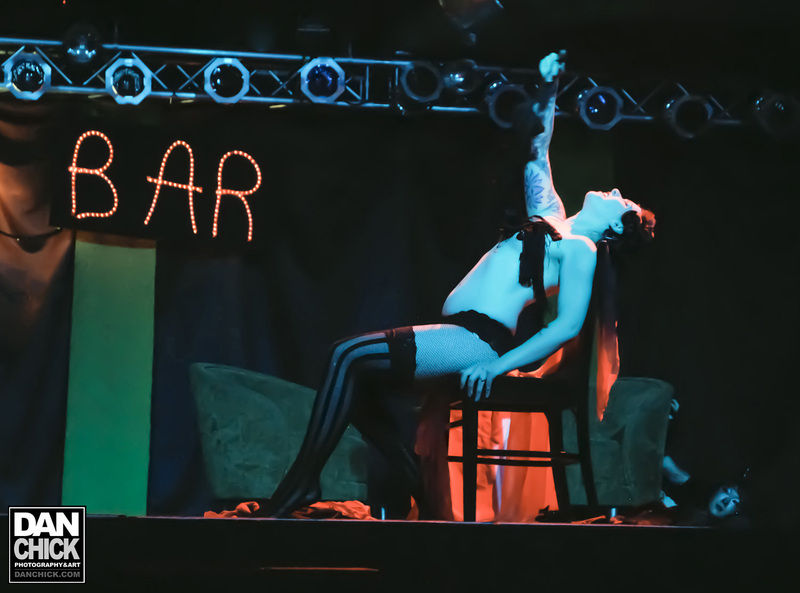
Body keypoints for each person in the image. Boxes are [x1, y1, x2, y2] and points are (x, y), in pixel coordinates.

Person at [257, 52, 656, 518]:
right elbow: (536, 149)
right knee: (359, 386)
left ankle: (301, 484)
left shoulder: (581, 250)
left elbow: (565, 326)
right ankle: (418, 486)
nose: (613, 192)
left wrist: (497, 367)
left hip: (478, 342)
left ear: (615, 230)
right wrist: (549, 88)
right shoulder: (550, 218)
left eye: (622, 202)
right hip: (461, 333)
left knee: (346, 356)